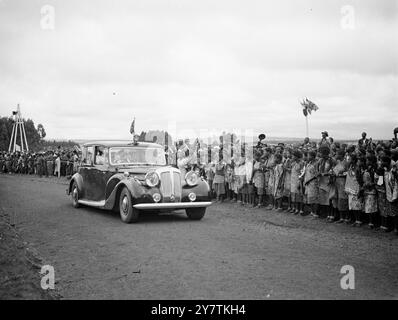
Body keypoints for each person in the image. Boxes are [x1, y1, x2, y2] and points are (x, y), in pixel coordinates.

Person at [303, 150, 319, 217]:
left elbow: (316, 175)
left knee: (314, 198)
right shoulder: (309, 163)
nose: (307, 157)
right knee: (310, 198)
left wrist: (309, 180)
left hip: (313, 183)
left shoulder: (316, 164)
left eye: (309, 156)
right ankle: (312, 212)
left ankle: (315, 213)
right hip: (308, 183)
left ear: (312, 156)